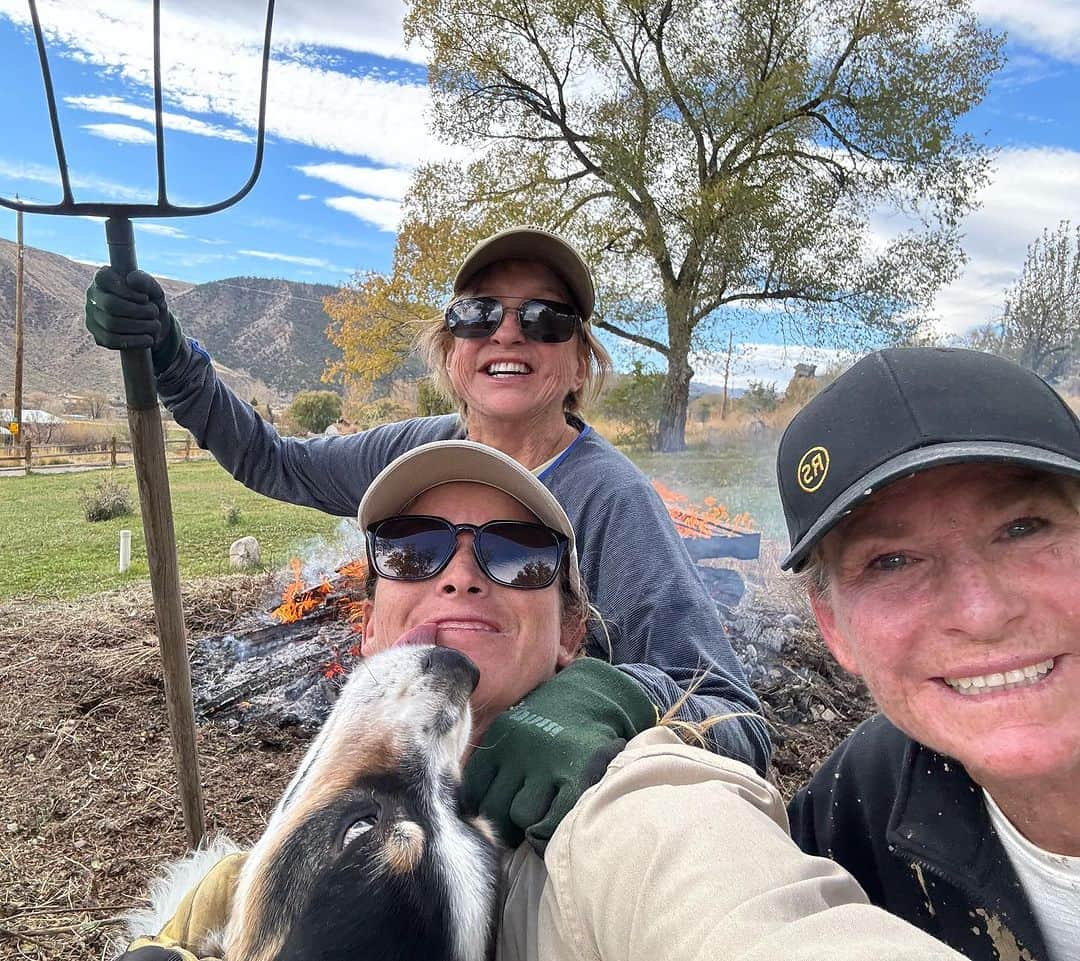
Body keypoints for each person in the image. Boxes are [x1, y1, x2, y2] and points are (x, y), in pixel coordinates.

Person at [120, 440, 966, 961]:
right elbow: (281, 458)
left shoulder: (622, 811)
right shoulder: (413, 437)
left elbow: (732, 898)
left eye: (518, 555)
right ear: (367, 620)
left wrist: (624, 692)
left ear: (570, 632)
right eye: (411, 550)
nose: (458, 571)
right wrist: (178, 366)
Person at [84, 225, 769, 848]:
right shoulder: (419, 452)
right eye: (478, 313)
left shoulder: (612, 499)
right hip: (410, 824)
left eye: (545, 317)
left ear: (580, 363)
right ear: (451, 349)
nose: (507, 333)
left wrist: (607, 698)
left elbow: (736, 719)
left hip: (549, 843)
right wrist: (175, 362)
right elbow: (276, 461)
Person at [776, 347, 1080, 961]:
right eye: (892, 562)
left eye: (1024, 527)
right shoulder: (861, 800)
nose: (982, 613)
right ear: (832, 624)